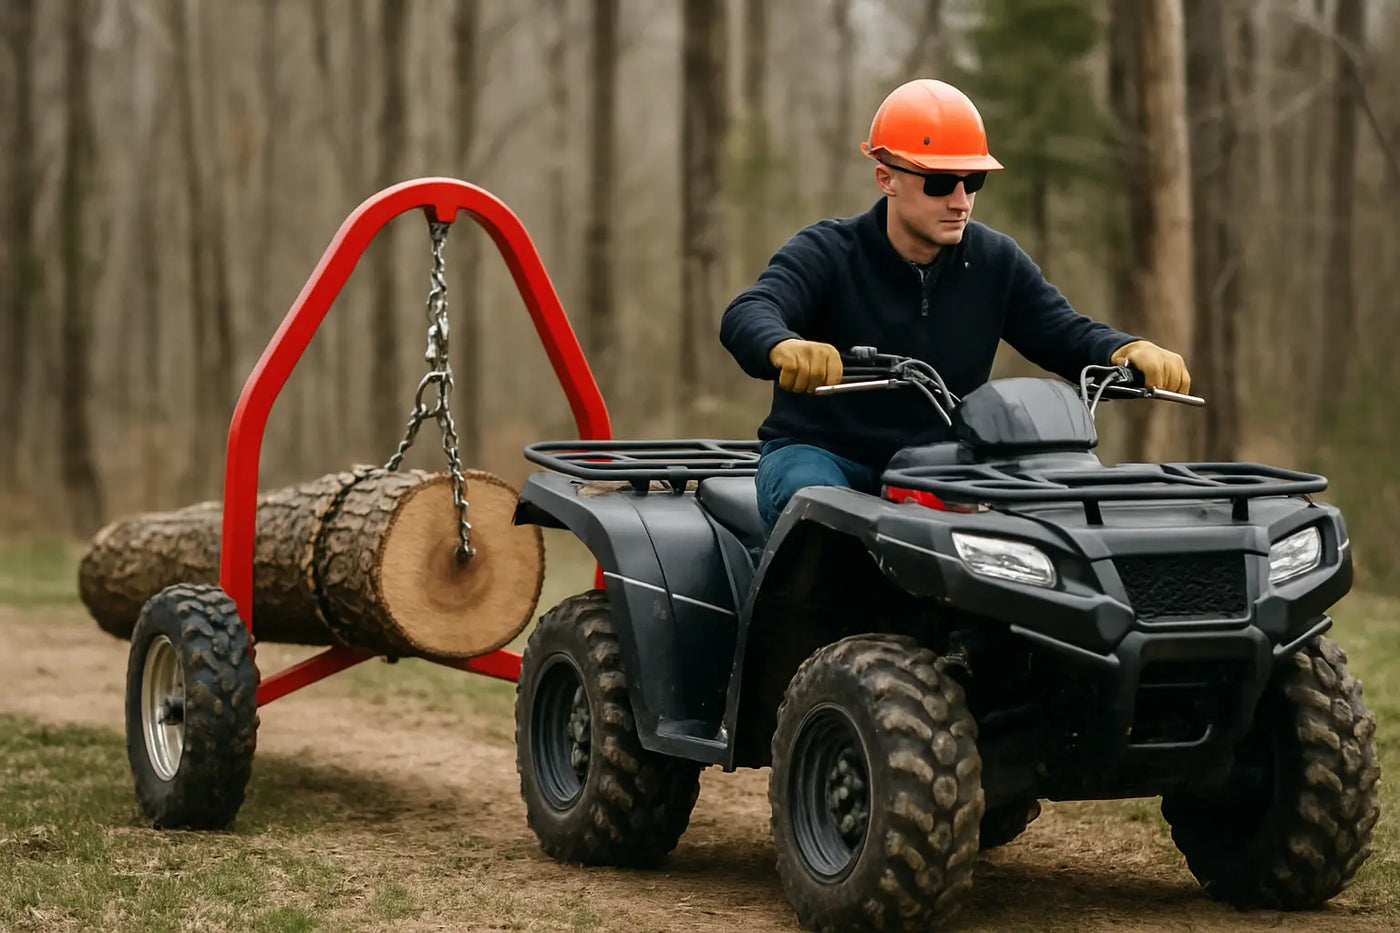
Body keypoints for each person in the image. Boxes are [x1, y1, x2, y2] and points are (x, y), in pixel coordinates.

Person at [720, 78, 1191, 534]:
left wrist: (1125, 349)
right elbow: (751, 310)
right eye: (941, 183)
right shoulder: (828, 251)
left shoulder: (995, 261)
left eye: (973, 181)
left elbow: (1063, 331)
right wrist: (783, 345)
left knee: (1045, 523)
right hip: (820, 455)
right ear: (886, 178)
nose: (960, 201)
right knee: (820, 509)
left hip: (937, 467)